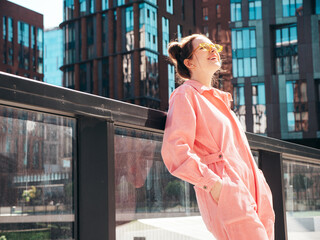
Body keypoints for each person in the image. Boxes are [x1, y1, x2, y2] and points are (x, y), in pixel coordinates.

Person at [161, 34, 275, 240]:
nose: (213, 49)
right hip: (228, 194)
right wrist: (214, 185)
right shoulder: (185, 95)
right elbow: (174, 150)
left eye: (215, 46)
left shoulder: (221, 102)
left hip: (255, 192)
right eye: (204, 47)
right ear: (189, 62)